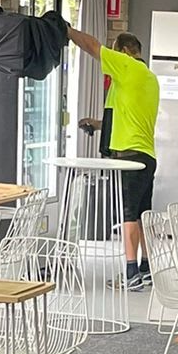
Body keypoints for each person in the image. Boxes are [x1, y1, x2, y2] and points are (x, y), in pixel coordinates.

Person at [69, 27, 158, 290]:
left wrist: (65, 30)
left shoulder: (128, 67)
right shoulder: (147, 77)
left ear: (126, 51)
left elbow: (92, 47)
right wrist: (98, 125)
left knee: (129, 215)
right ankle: (146, 268)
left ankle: (130, 275)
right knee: (142, 215)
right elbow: (128, 116)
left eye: (115, 50)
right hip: (146, 156)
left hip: (128, 158)